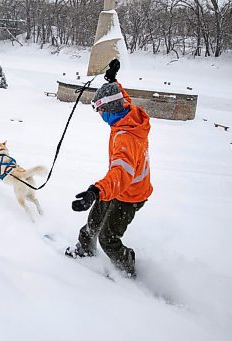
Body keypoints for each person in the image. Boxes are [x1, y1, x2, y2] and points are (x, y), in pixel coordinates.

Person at [65, 59, 153, 278]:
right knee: (94, 220)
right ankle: (85, 249)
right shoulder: (127, 114)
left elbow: (120, 175)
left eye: (101, 109)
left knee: (108, 238)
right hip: (115, 187)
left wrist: (95, 191)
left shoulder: (126, 137)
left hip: (130, 195)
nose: (100, 114)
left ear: (111, 109)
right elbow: (120, 96)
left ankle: (127, 267)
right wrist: (112, 79)